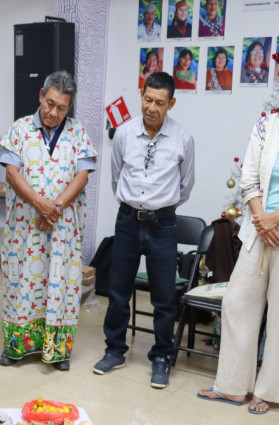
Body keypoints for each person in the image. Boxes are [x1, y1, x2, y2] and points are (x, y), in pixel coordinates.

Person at [198, 56, 279, 414]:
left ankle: (269, 391)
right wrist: (261, 219)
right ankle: (233, 386)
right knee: (237, 303)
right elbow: (249, 178)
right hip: (260, 233)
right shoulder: (267, 124)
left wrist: (276, 219)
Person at [93, 72, 195, 388]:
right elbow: (116, 178)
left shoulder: (183, 139)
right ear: (142, 95)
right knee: (118, 290)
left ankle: (161, 357)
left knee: (164, 296)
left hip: (164, 224)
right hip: (126, 222)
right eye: (147, 99)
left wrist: (159, 207)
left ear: (171, 103)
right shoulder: (123, 134)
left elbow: (185, 186)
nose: (152, 107)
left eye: (160, 103)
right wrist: (134, 205)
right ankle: (115, 350)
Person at [0, 71, 97, 371]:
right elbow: (12, 173)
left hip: (62, 226)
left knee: (60, 283)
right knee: (21, 281)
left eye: (62, 108)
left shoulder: (78, 133)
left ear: (70, 108)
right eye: (50, 103)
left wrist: (54, 207)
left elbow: (82, 175)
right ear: (41, 95)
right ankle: (16, 346)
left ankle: (57, 350)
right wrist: (40, 205)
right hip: (25, 227)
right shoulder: (20, 129)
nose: (53, 112)